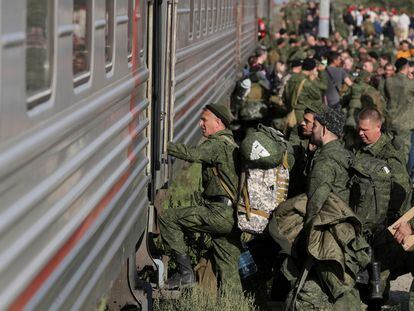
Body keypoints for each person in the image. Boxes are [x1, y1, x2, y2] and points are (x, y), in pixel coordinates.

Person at [159, 103, 242, 291]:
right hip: (232, 216)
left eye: (204, 120)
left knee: (168, 218)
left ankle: (185, 274)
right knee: (228, 270)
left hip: (218, 213)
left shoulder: (217, 144)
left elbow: (193, 154)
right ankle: (235, 304)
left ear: (218, 122)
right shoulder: (231, 144)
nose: (200, 124)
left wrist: (163, 145)